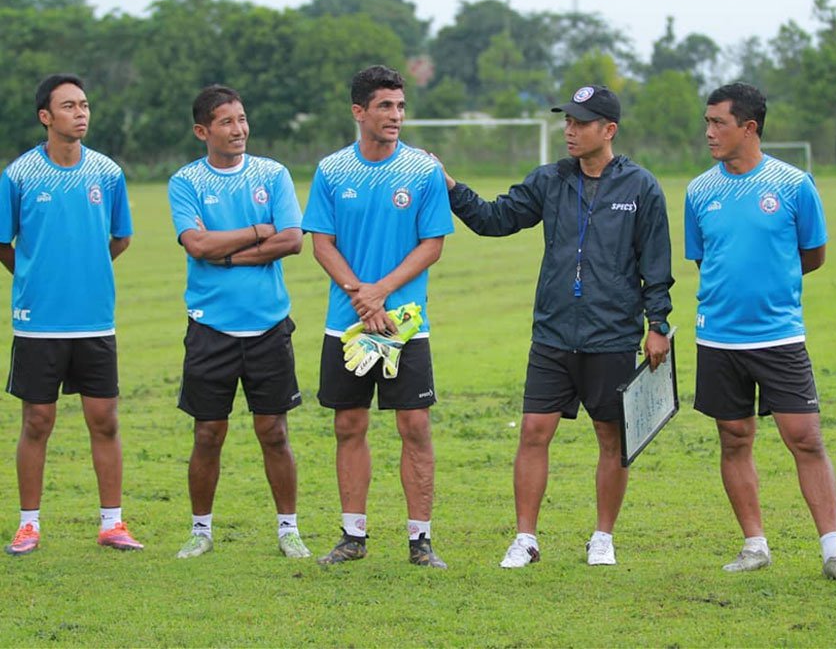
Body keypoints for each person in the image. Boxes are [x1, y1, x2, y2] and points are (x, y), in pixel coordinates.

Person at [443, 85, 674, 568]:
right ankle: (525, 538)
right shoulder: (549, 180)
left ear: (608, 130)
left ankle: (603, 537)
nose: (569, 130)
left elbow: (656, 262)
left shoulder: (641, 187)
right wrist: (452, 189)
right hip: (552, 333)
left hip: (611, 333)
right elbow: (494, 219)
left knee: (612, 438)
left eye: (581, 122)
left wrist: (658, 324)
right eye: (567, 121)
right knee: (533, 431)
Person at [684, 82, 836, 581]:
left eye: (718, 123)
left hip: (779, 336)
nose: (709, 132)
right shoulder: (699, 190)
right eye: (707, 121)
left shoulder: (793, 184)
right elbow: (703, 259)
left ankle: (834, 551)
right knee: (734, 437)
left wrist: (772, 285)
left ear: (749, 127)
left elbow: (813, 255)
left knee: (804, 437)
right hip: (717, 337)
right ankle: (754, 544)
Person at [303, 65, 453, 569]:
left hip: (405, 324)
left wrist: (381, 294)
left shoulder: (424, 171)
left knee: (414, 425)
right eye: (385, 106)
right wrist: (359, 295)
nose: (396, 115)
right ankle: (353, 536)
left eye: (401, 106)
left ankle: (420, 541)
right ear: (358, 111)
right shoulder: (331, 170)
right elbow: (321, 243)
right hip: (346, 324)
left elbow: (432, 244)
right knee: (349, 424)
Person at [0, 73, 142, 555]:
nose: (80, 113)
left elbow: (120, 238)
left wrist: (87, 270)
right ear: (46, 117)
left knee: (104, 420)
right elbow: (3, 242)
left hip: (95, 320)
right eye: (69, 106)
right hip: (38, 321)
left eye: (84, 105)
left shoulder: (107, 172)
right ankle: (28, 525)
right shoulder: (19, 175)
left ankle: (112, 523)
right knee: (37, 421)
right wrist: (33, 278)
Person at [168, 85, 310, 559]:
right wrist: (254, 232)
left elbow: (292, 240)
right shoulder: (186, 182)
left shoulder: (273, 174)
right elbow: (198, 247)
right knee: (208, 433)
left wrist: (226, 254)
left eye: (242, 119)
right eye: (227, 122)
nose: (239, 129)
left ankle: (288, 529)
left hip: (269, 325)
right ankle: (201, 530)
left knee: (274, 431)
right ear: (202, 131)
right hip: (210, 327)